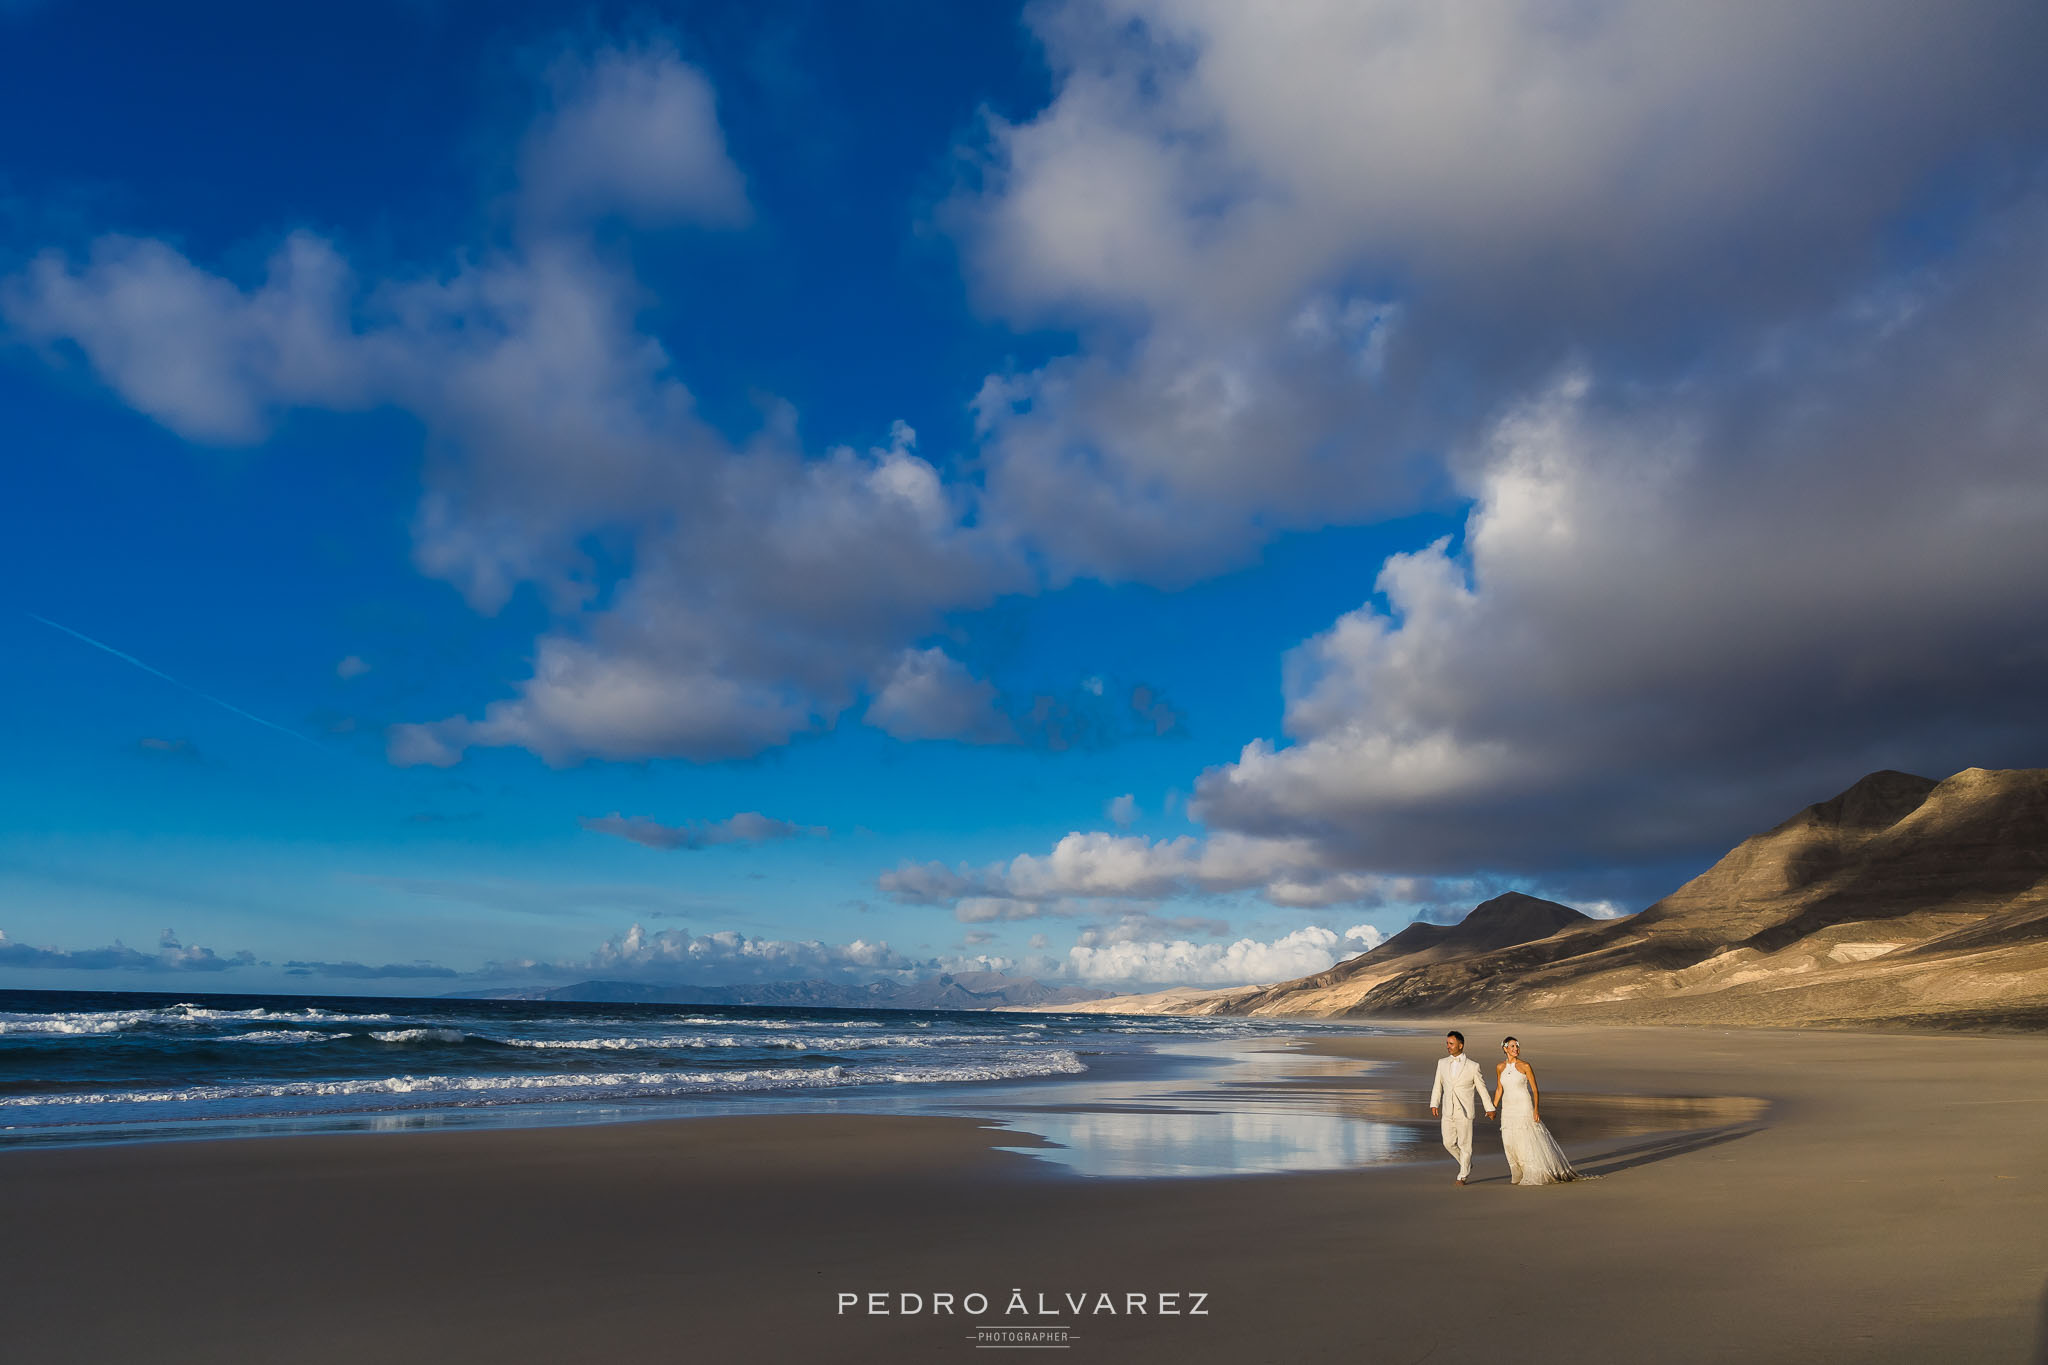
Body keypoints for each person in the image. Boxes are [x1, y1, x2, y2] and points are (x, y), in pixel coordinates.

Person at [1492, 1036, 1578, 1185]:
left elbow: (1535, 1090)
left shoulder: (1525, 1066)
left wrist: (1536, 1109)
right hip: (1508, 1107)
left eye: (1517, 1046)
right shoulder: (1500, 1067)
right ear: (1505, 1049)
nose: (1515, 1049)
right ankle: (1517, 1173)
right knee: (1509, 1140)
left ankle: (1533, 1171)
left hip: (1523, 1105)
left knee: (1525, 1138)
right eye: (1512, 1046)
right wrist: (1492, 1107)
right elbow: (1499, 1089)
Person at [1429, 1030, 1497, 1185]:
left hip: (1465, 1112)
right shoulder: (1442, 1063)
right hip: (1447, 1109)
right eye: (1447, 1043)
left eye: (1451, 1043)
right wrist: (1434, 1103)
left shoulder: (1473, 1066)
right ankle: (1465, 1163)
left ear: (1461, 1045)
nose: (1448, 1046)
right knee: (1448, 1142)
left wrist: (1490, 1107)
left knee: (1465, 1144)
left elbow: (1482, 1088)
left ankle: (1462, 1175)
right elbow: (1437, 1085)